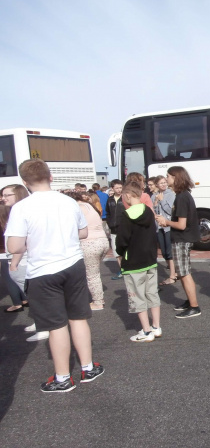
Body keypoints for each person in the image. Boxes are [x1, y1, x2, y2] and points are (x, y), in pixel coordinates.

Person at [5, 159, 104, 392]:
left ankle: (62, 378)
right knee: (78, 317)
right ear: (50, 177)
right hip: (72, 264)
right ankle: (88, 367)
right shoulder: (69, 202)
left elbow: (14, 246)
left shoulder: (22, 208)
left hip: (43, 271)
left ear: (24, 182)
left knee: (56, 325)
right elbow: (82, 232)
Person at [116, 181, 161, 342]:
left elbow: (122, 241)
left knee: (137, 296)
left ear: (128, 195)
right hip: (149, 258)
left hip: (133, 262)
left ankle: (146, 331)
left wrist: (120, 254)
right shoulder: (148, 211)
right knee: (152, 293)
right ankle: (156, 326)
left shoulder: (126, 215)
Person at [155, 166, 201, 319]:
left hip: (182, 239)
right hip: (182, 239)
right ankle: (190, 301)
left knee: (184, 273)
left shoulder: (181, 197)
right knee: (182, 273)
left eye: (168, 176)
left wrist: (165, 221)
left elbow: (181, 225)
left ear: (175, 178)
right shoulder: (183, 195)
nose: (166, 179)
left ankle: (194, 306)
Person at [68, 191, 109, 310]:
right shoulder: (88, 205)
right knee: (94, 272)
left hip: (89, 243)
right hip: (102, 240)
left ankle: (98, 302)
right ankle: (97, 297)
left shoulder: (78, 208)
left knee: (92, 274)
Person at [1, 185, 30, 313]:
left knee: (34, 294)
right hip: (20, 258)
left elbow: (21, 242)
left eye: (7, 195)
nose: (2, 198)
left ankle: (43, 326)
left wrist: (13, 263)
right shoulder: (16, 211)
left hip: (22, 260)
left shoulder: (19, 212)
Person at [152, 175, 177, 285]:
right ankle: (173, 272)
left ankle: (173, 275)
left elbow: (170, 211)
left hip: (168, 226)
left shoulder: (170, 194)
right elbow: (154, 211)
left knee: (169, 251)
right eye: (161, 183)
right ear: (157, 185)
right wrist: (156, 203)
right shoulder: (154, 196)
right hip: (159, 227)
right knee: (163, 250)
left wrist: (162, 201)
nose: (163, 185)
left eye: (164, 182)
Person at [105, 179, 126, 280]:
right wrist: (109, 223)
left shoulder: (125, 198)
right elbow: (108, 213)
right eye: (116, 188)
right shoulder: (110, 200)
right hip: (113, 229)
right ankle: (122, 269)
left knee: (126, 250)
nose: (119, 190)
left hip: (124, 228)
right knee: (116, 252)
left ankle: (128, 268)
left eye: (120, 187)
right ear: (112, 188)